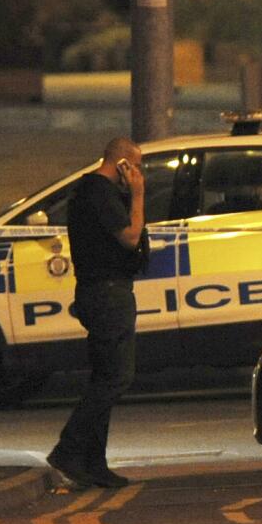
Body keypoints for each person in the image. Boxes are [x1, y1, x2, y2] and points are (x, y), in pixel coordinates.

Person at [46, 136, 149, 488]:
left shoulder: (95, 192)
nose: (138, 174)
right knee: (117, 377)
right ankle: (68, 450)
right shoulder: (99, 191)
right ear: (122, 164)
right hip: (106, 293)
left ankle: (93, 463)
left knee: (104, 376)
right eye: (135, 166)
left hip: (104, 291)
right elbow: (130, 237)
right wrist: (137, 195)